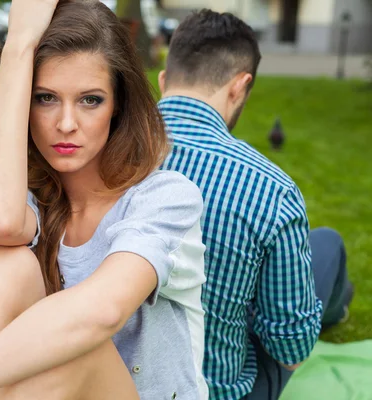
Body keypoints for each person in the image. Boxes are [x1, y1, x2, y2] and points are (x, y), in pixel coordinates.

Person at [0, 0, 207, 399]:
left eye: (90, 100)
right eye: (45, 98)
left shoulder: (166, 197)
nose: (66, 123)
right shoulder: (35, 199)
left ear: (118, 106)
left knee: (75, 348)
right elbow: (2, 226)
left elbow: (101, 313)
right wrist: (17, 48)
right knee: (0, 261)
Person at [157, 9, 353, 400]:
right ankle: (337, 307)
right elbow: (291, 352)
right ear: (239, 86)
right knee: (327, 244)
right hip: (220, 389)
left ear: (163, 80)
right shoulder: (270, 189)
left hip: (113, 379)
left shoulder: (99, 156)